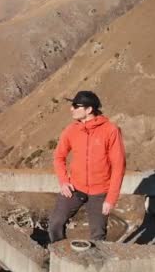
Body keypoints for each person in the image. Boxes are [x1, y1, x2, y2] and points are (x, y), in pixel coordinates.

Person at [49, 90, 126, 242]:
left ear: (89, 109)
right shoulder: (71, 130)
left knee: (98, 236)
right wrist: (64, 181)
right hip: (75, 188)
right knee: (55, 224)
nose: (71, 109)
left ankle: (93, 264)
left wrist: (111, 199)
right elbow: (58, 157)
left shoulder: (110, 130)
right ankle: (62, 255)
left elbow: (119, 166)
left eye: (76, 106)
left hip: (100, 192)